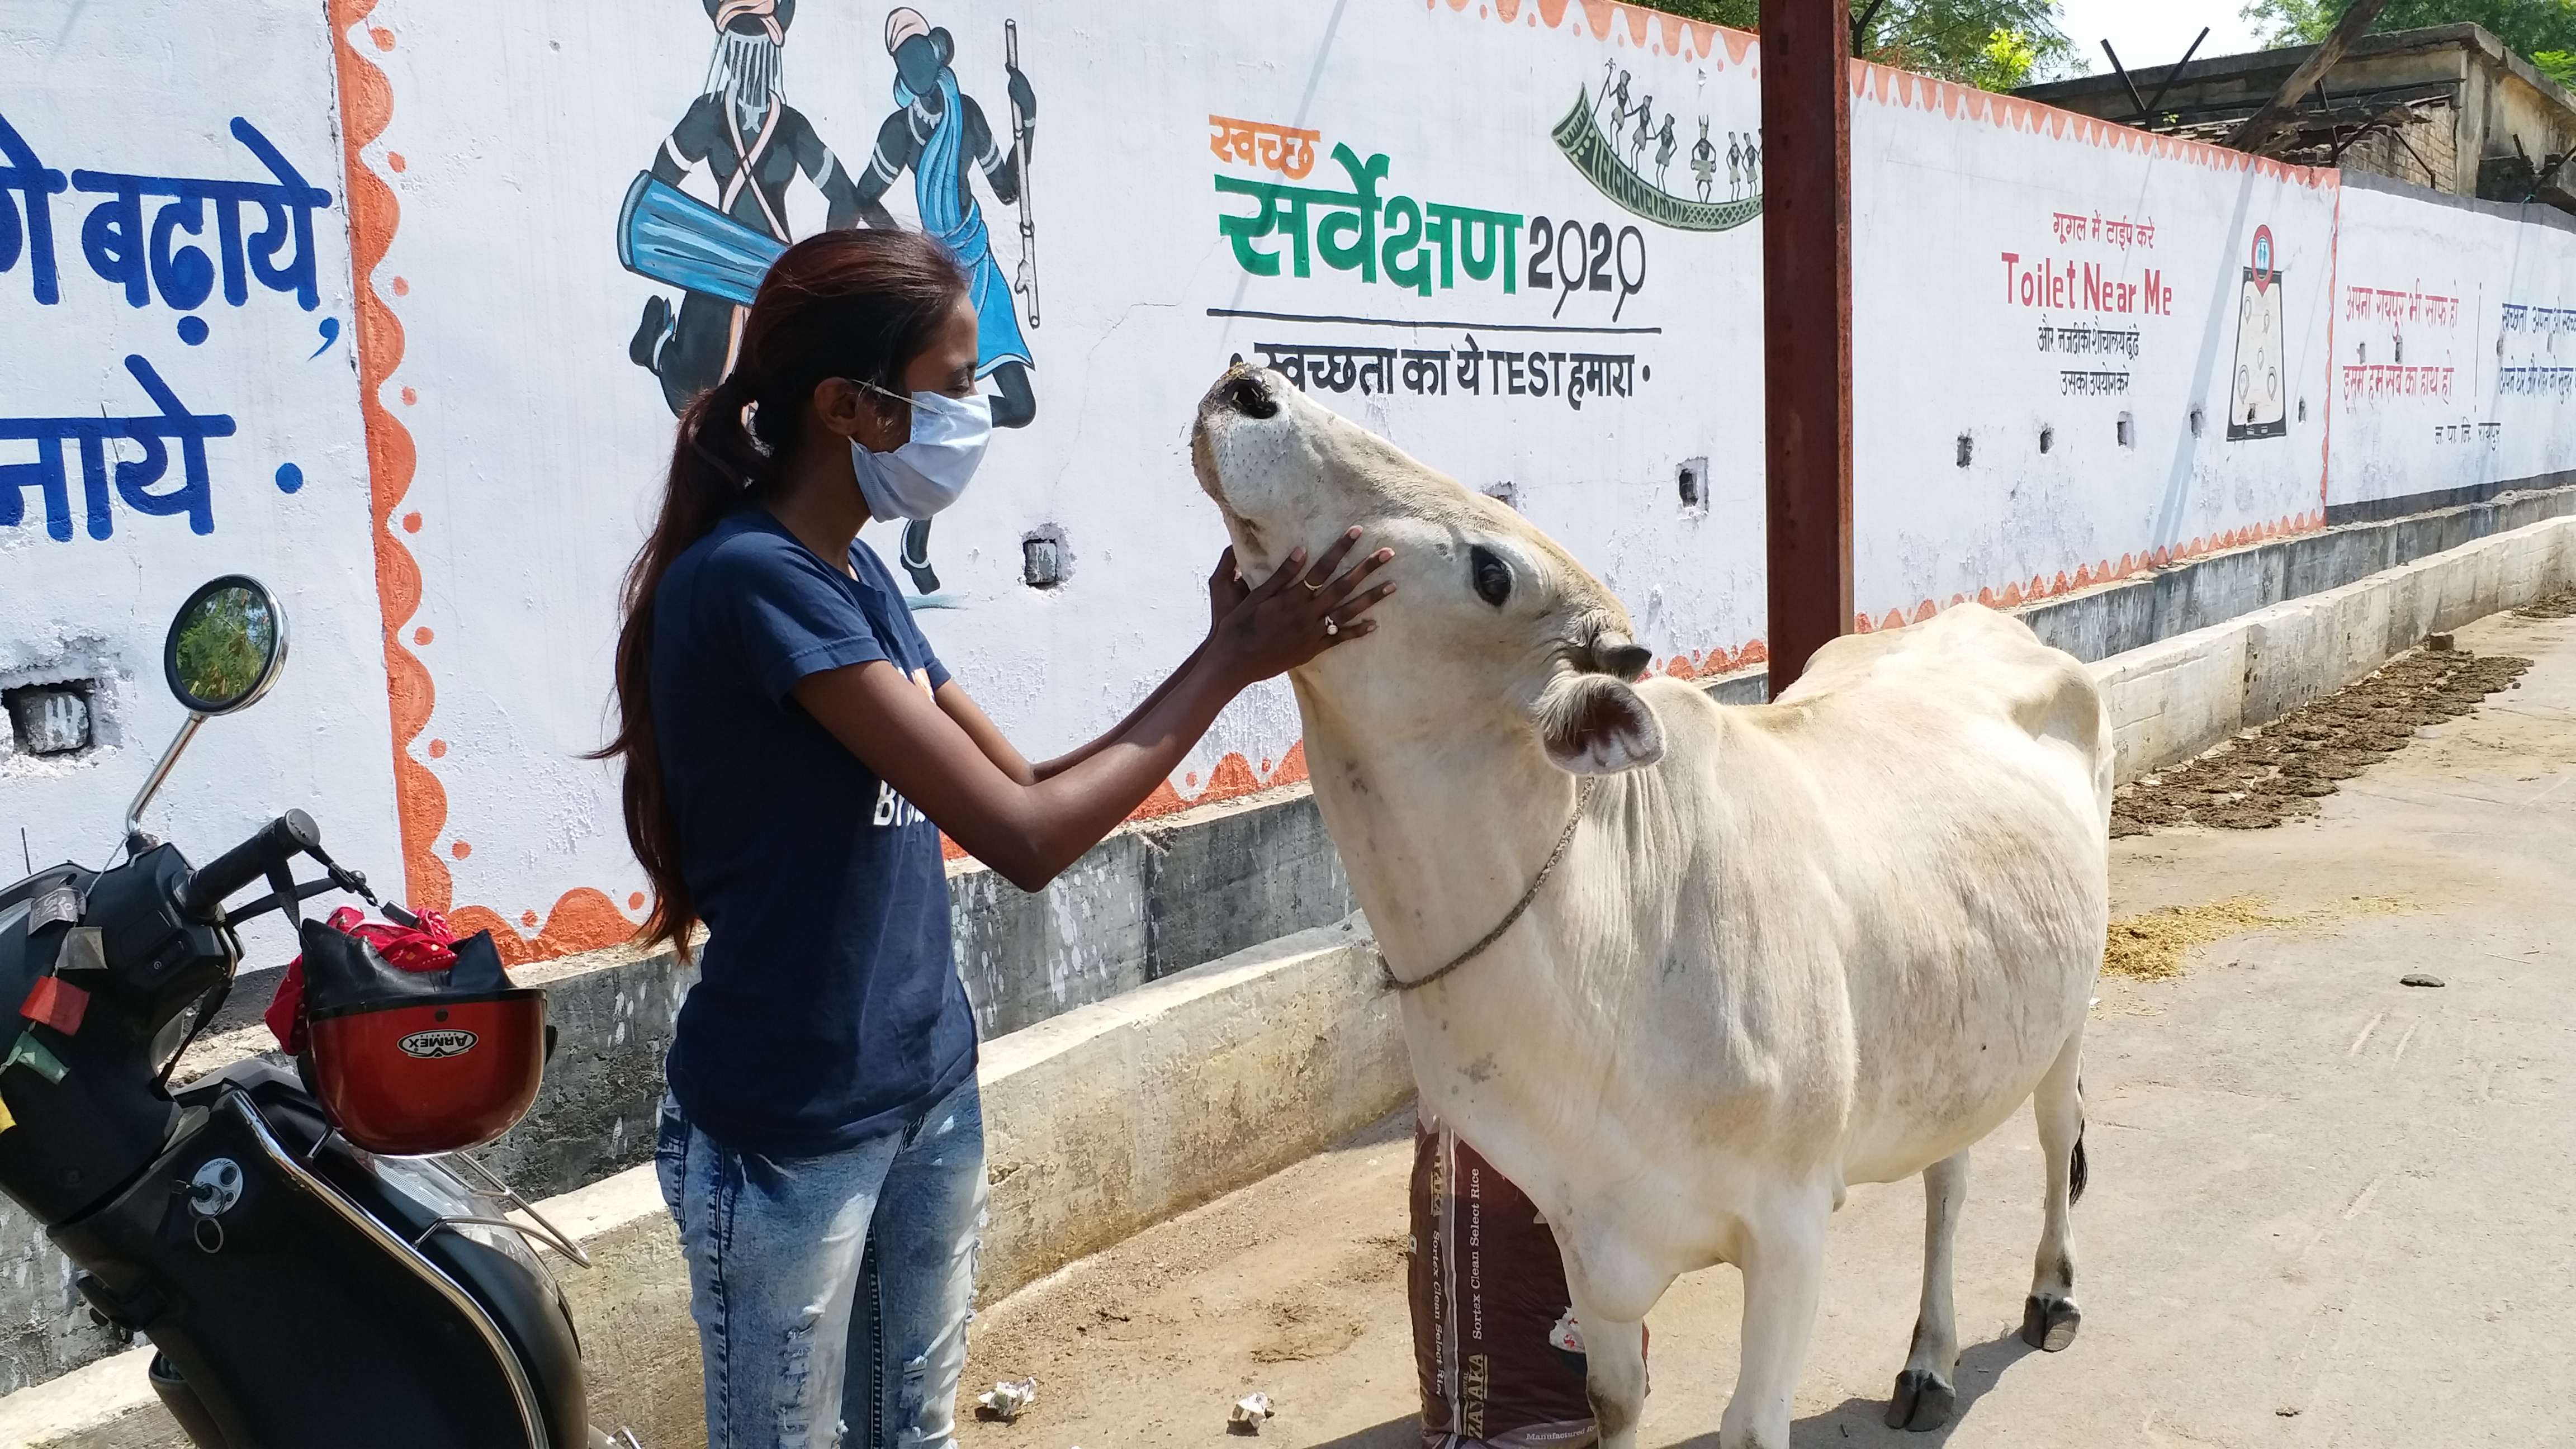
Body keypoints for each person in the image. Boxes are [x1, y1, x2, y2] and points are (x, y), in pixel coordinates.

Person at [594, 228, 1393, 1449]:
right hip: (791, 1137)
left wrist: (1219, 651)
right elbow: (1023, 838)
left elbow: (1015, 777)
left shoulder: (851, 574)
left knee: (908, 1433)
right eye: (955, 385)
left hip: (923, 1090)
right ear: (847, 408)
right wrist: (1233, 665)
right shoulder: (754, 579)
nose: (977, 413)